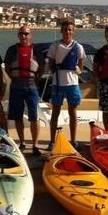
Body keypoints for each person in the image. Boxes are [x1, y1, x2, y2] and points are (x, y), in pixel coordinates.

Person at [47, 20, 85, 149]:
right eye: (65, 29)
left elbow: (81, 66)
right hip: (58, 84)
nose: (67, 32)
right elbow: (51, 64)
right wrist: (57, 73)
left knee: (73, 112)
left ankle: (73, 140)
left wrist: (77, 71)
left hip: (73, 84)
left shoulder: (79, 47)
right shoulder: (55, 46)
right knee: (55, 112)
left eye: (70, 29)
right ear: (61, 31)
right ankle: (52, 141)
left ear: (73, 31)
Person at [4, 26, 41, 156]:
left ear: (30, 35)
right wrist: (14, 79)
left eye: (26, 34)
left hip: (32, 87)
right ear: (18, 35)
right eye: (22, 34)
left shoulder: (36, 50)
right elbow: (7, 67)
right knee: (17, 116)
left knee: (34, 117)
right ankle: (22, 142)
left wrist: (35, 81)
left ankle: (35, 145)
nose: (24, 36)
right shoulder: (12, 50)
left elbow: (41, 69)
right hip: (16, 86)